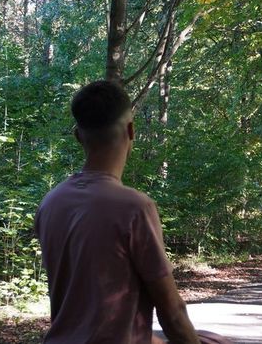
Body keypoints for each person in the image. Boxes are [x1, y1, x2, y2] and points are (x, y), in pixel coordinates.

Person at [35, 81, 221, 344]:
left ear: (78, 135)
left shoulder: (51, 202)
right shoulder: (134, 208)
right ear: (131, 130)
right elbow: (173, 315)